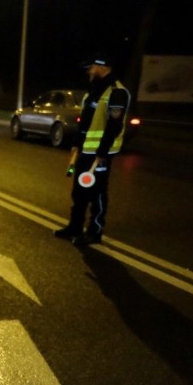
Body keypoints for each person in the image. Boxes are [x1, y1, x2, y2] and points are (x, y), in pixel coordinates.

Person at [54, 52, 130, 246]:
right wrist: (76, 144)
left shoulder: (116, 93)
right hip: (85, 151)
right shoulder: (93, 91)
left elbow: (114, 125)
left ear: (103, 67)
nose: (89, 71)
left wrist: (103, 152)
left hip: (99, 154)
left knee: (97, 192)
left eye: (92, 67)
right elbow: (85, 122)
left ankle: (94, 231)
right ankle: (75, 226)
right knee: (79, 190)